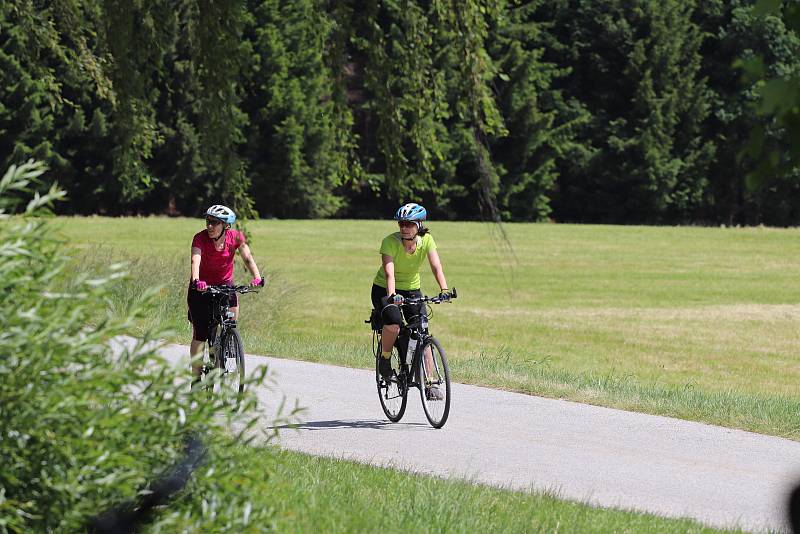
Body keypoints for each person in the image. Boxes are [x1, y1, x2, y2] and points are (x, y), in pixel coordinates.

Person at [371, 203, 451, 400]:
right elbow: (389, 273)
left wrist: (444, 289)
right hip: (384, 289)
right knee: (394, 324)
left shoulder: (427, 241)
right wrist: (392, 295)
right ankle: (385, 358)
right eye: (401, 224)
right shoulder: (390, 242)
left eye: (408, 224)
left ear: (418, 225)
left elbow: (436, 266)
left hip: (412, 289)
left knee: (423, 331)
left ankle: (430, 382)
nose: (404, 227)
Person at [187, 204, 263, 383]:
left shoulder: (235, 237)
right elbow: (195, 259)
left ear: (226, 226)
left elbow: (247, 257)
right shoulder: (200, 238)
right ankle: (196, 378)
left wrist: (257, 277)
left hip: (224, 285)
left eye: (214, 222)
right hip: (201, 288)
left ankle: (227, 341)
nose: (210, 226)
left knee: (232, 316)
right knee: (200, 334)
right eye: (208, 221)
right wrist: (197, 280)